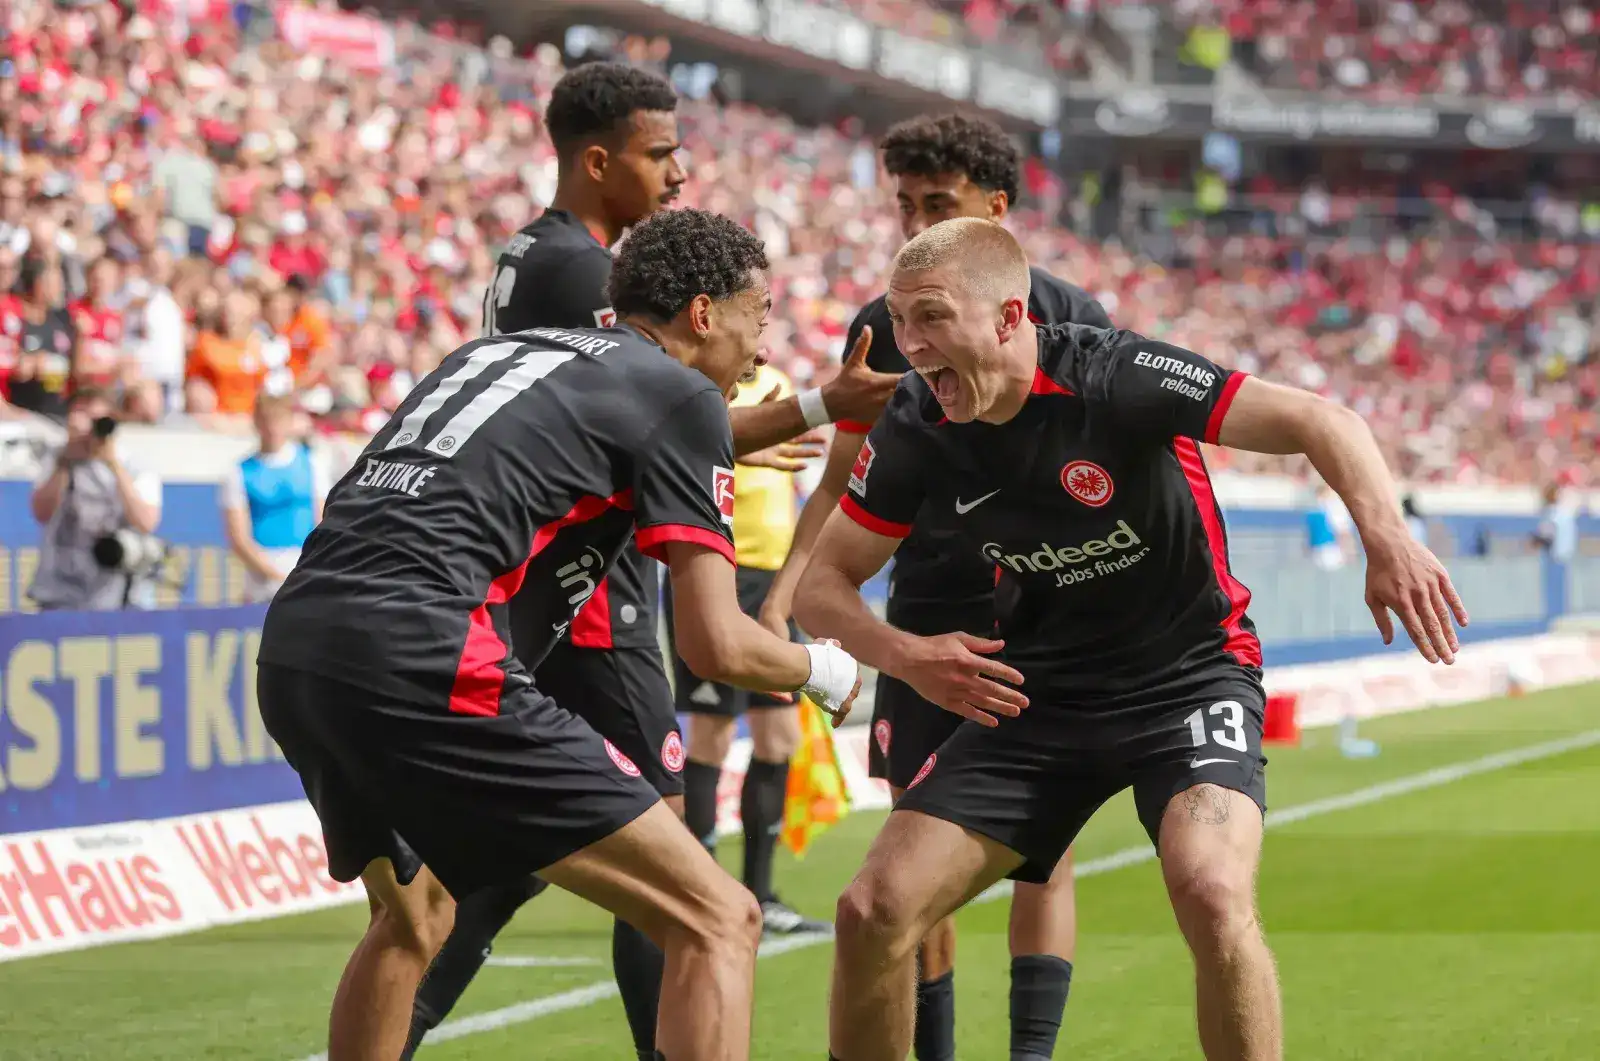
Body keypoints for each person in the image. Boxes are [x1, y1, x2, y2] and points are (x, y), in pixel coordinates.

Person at [794, 218, 1469, 1061]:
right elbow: (822, 586)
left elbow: (1320, 419)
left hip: (1188, 679)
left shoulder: (1116, 374)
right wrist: (906, 656)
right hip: (1039, 699)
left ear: (1009, 317)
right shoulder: (916, 423)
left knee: (1211, 889)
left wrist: (1387, 537)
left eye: (930, 317)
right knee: (871, 911)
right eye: (899, 320)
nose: (911, 345)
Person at [258, 207, 869, 1061]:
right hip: (426, 645)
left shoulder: (497, 354)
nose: (761, 349)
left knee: (414, 914)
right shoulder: (682, 395)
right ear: (703, 314)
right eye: (757, 316)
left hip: (294, 643)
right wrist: (828, 670)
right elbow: (716, 645)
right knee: (719, 915)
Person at [402, 62, 894, 1061]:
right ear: (598, 160)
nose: (678, 174)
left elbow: (629, 417)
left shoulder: (533, 254)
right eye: (660, 152)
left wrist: (792, 415)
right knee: (668, 851)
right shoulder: (584, 276)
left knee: (524, 852)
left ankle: (401, 1015)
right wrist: (810, 410)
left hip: (542, 582)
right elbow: (647, 415)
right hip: (589, 590)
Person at [758, 112, 1104, 1061]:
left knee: (1045, 854)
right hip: (922, 609)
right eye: (905, 204)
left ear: (996, 206)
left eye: (937, 203)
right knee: (914, 851)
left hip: (1041, 613)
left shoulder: (1074, 316)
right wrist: (784, 597)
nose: (914, 222)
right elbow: (842, 480)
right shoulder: (884, 325)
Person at [667, 359, 828, 935]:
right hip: (715, 571)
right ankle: (701, 890)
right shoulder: (695, 388)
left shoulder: (780, 385)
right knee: (710, 735)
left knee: (778, 737)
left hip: (773, 584)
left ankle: (762, 893)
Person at [28, 387, 163, 611]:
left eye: (96, 420)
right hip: (61, 593)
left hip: (119, 597)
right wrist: (65, 463)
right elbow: (41, 513)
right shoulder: (56, 458)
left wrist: (113, 465)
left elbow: (146, 522)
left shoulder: (133, 465)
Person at [219, 389, 327, 602]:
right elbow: (239, 537)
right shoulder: (239, 472)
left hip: (305, 566)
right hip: (262, 576)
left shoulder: (313, 463)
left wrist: (309, 568)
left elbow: (322, 520)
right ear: (256, 422)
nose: (272, 427)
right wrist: (274, 575)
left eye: (278, 419)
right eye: (266, 419)